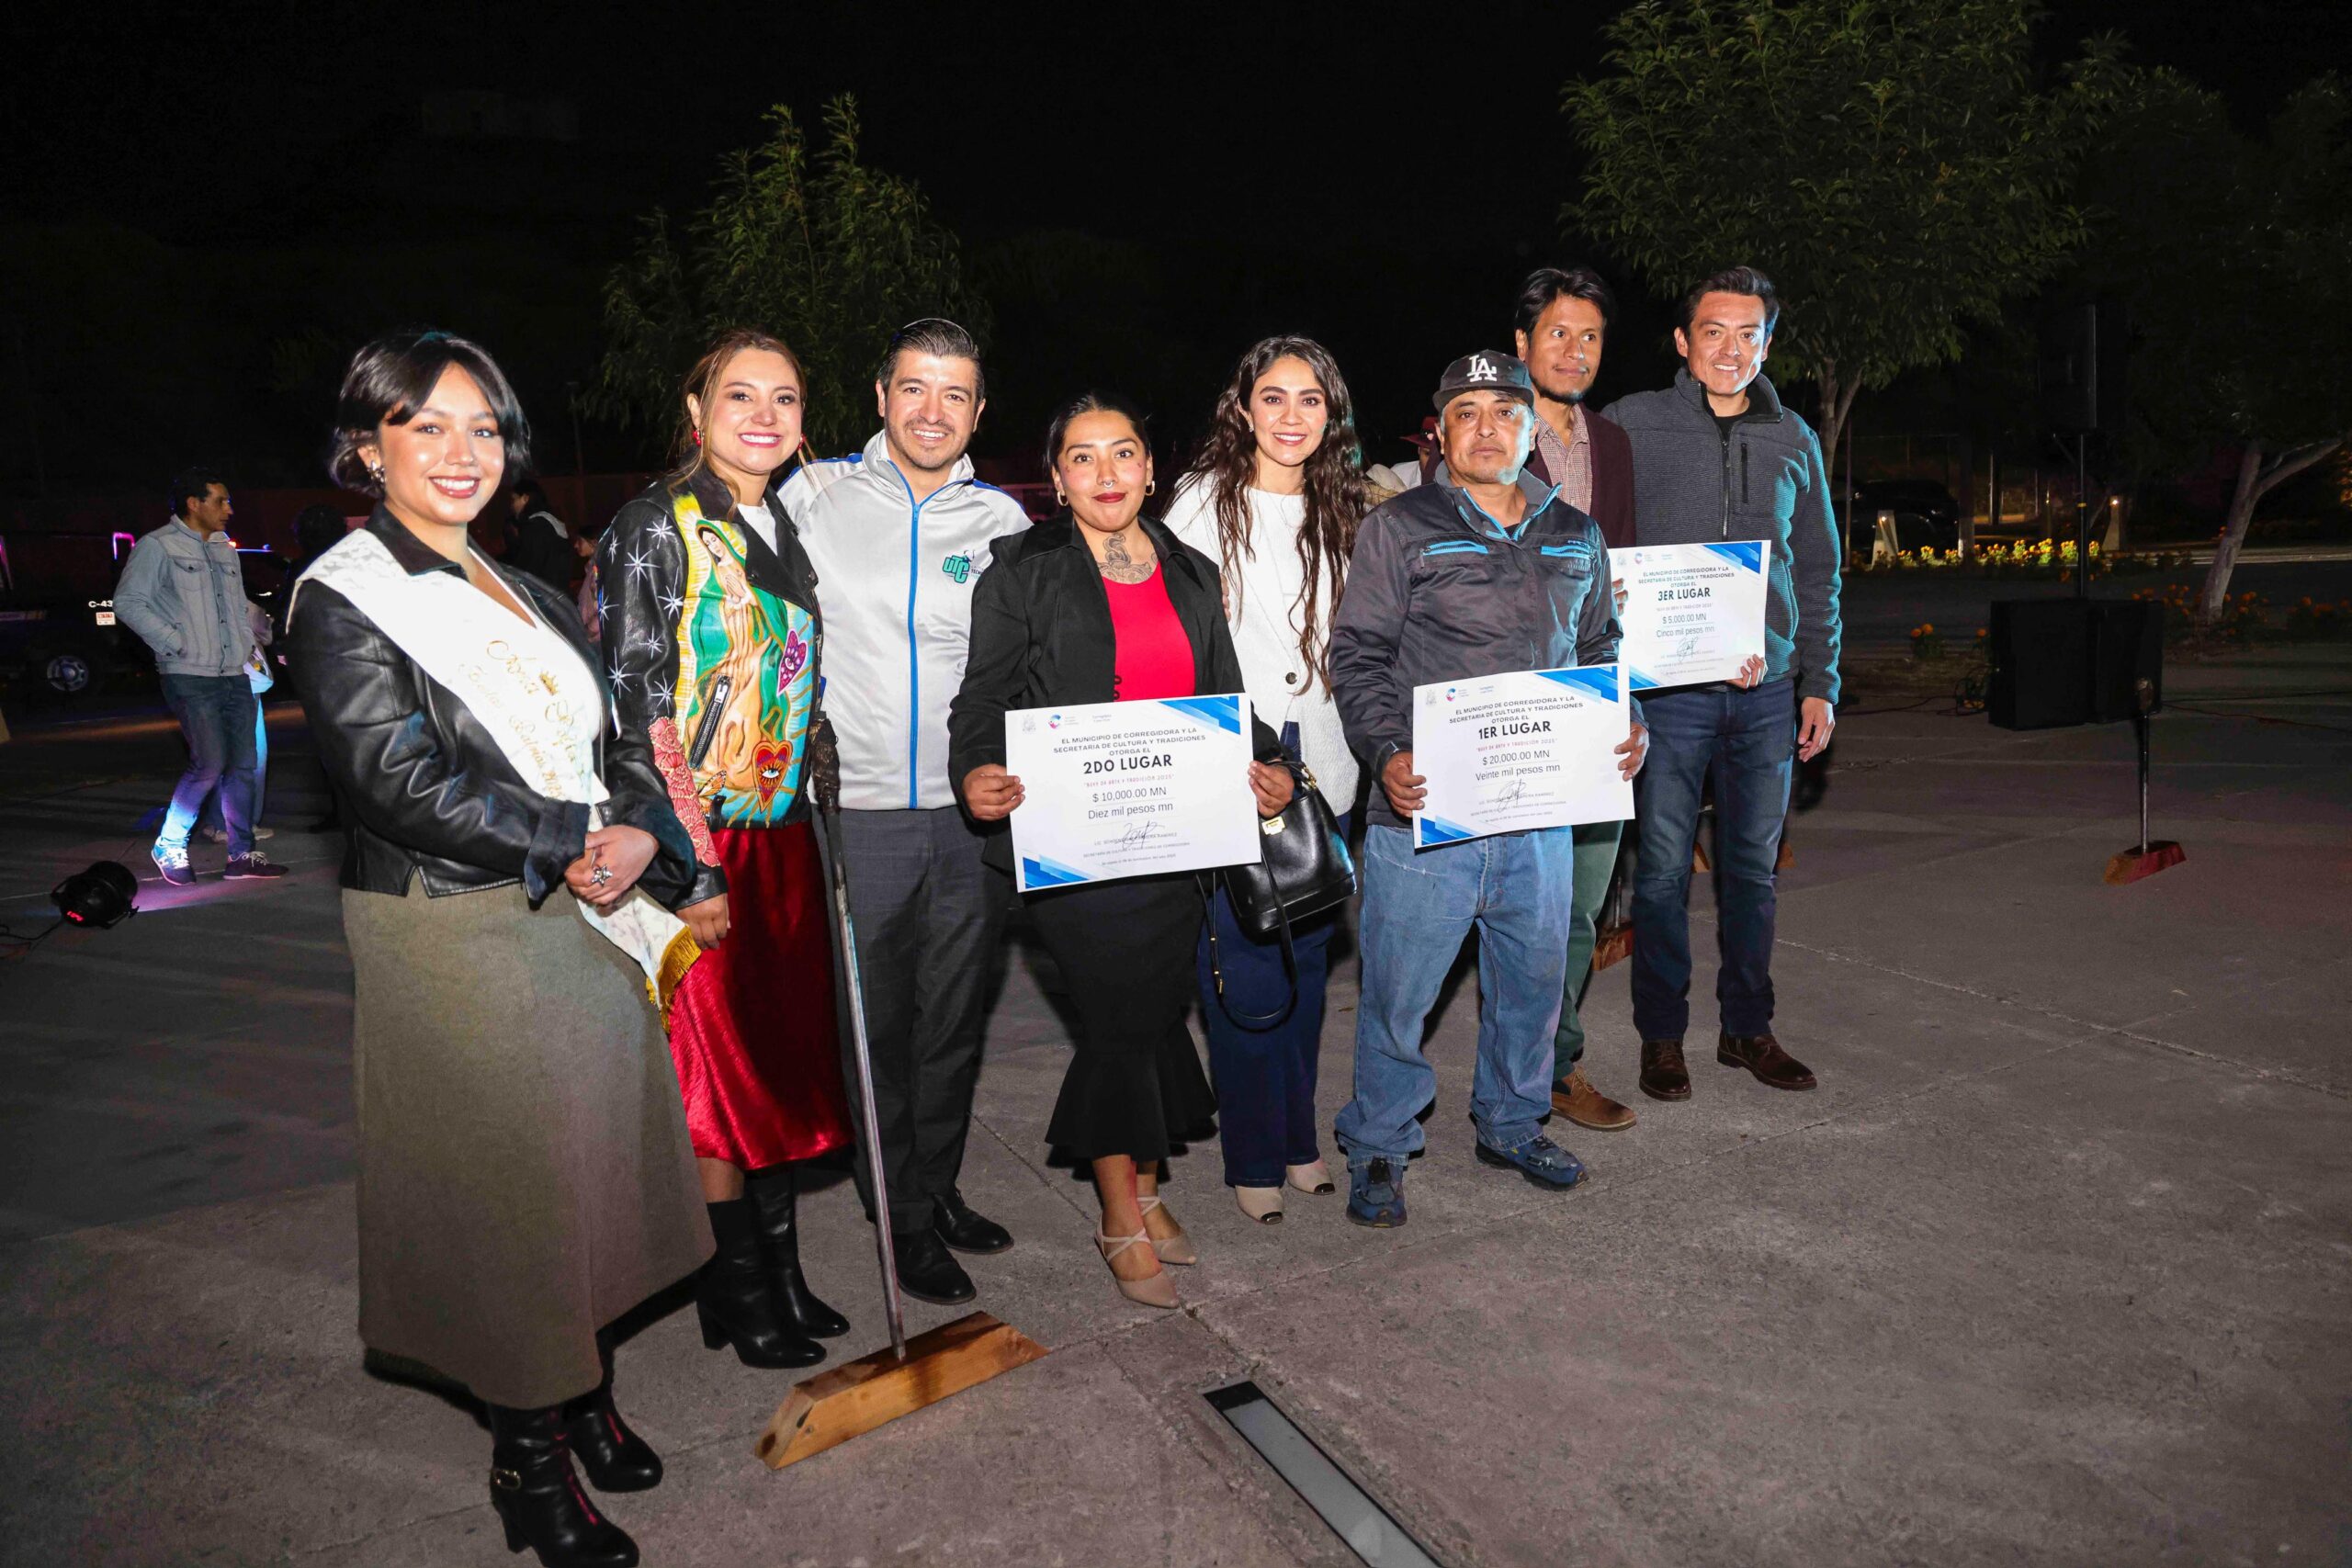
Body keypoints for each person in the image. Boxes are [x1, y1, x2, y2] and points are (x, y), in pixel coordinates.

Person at [289, 331, 709, 1568]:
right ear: (369, 447)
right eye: (428, 427)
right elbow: (394, 780)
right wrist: (583, 833)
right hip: (458, 927)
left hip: (576, 905)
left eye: (482, 427)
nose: (461, 452)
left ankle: (579, 1391)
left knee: (587, 1168)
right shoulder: (343, 593)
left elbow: (614, 725)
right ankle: (529, 1460)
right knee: (510, 1200)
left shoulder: (515, 577)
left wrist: (636, 818)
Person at [949, 391, 1293, 1309]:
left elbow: (1224, 694)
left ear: (1150, 467)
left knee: (1148, 1012)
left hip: (1177, 837)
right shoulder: (1020, 571)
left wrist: (1266, 762)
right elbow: (980, 701)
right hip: (1072, 843)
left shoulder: (1188, 569)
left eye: (1124, 453)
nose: (1106, 473)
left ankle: (1145, 1182)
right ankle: (1118, 1213)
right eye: (1084, 458)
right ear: (1058, 478)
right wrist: (977, 770)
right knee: (1113, 1021)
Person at [1327, 352, 1645, 1228]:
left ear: (1530, 429)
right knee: (1400, 993)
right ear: (1441, 431)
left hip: (1539, 811)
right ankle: (1382, 1142)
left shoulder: (1575, 531)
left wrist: (1627, 723)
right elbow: (1356, 655)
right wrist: (1385, 749)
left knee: (1534, 983)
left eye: (1503, 413)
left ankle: (1512, 1121)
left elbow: (1600, 650)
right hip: (1427, 809)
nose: (1485, 429)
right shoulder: (1401, 528)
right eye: (1464, 413)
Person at [597, 328, 854, 1371]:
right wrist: (691, 867)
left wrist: (823, 775)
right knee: (716, 1080)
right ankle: (735, 1288)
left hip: (784, 838)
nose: (764, 415)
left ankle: (780, 1276)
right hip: (703, 847)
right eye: (739, 395)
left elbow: (789, 687)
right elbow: (639, 709)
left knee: (778, 1068)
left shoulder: (780, 523)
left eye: (784, 398)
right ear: (695, 414)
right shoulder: (654, 525)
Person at [781, 319, 1032, 1305]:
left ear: (978, 409)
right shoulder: (814, 496)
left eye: (956, 393)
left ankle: (934, 1186)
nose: (934, 410)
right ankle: (901, 1216)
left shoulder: (1003, 523)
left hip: (971, 816)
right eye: (915, 388)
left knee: (952, 1023)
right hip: (858, 810)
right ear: (881, 395)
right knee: (872, 1026)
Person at [1602, 266, 1842, 1100]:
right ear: (1683, 341)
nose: (1730, 348)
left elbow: (1819, 570)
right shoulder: (1631, 424)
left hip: (1767, 692)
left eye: (1748, 333)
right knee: (1664, 872)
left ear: (1768, 344)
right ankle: (1661, 1037)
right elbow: (1579, 532)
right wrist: (1609, 593)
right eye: (1714, 331)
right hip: (1667, 699)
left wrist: (1820, 680)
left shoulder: (1795, 439)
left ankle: (1747, 1028)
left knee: (1751, 870)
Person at [1162, 336, 1364, 1224]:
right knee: (1244, 966)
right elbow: (1182, 647)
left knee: (1309, 963)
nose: (1291, 416)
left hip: (1332, 764)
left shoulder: (1349, 506)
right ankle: (1251, 1150)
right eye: (1273, 398)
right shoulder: (1202, 505)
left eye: (1310, 400)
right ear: (1242, 408)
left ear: (1332, 413)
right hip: (1240, 767)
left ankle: (1296, 1136)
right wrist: (1252, 757)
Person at [1510, 266, 1643, 1134]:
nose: (1574, 349)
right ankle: (1508, 1084)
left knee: (1582, 902)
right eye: (1558, 332)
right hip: (1510, 708)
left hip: (1599, 700)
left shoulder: (1617, 442)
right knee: (1511, 905)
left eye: (1589, 335)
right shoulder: (1483, 431)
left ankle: (1556, 1068)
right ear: (1521, 343)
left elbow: (1630, 570)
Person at [113, 466, 285, 886]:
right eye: (220, 500)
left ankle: (242, 854)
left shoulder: (224, 548)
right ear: (194, 503)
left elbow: (236, 605)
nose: (229, 509)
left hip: (233, 671)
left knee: (244, 766)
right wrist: (175, 641)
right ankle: (169, 844)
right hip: (189, 673)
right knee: (209, 764)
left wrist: (246, 643)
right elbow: (128, 602)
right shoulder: (159, 546)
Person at [503, 479, 576, 591]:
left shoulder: (535, 527)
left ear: (525, 498)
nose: (512, 505)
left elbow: (528, 568)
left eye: (514, 499)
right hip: (557, 594)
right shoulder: (549, 521)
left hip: (543, 595)